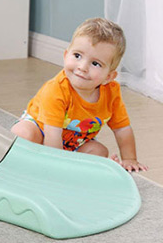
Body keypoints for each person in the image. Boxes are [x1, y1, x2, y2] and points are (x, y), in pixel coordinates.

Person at [11, 17, 148, 172]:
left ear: (109, 77)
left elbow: (122, 129)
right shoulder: (56, 90)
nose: (82, 67)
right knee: (23, 133)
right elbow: (52, 133)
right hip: (43, 131)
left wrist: (130, 159)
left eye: (95, 63)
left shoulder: (111, 92)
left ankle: (73, 167)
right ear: (65, 55)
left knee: (99, 152)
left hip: (75, 141)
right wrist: (56, 167)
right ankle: (32, 163)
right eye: (77, 56)